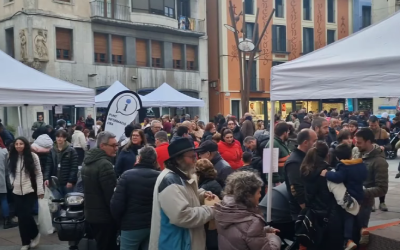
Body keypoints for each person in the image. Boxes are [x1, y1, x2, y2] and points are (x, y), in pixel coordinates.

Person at [149, 138, 215, 250]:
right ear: (178, 159)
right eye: (192, 157)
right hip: (175, 243)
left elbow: (185, 193)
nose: (196, 160)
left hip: (182, 240)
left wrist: (201, 195)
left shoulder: (180, 174)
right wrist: (211, 210)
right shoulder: (170, 180)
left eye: (195, 155)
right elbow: (183, 216)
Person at [214, 171, 281, 250]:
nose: (260, 195)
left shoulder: (223, 209)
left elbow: (239, 233)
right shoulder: (252, 222)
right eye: (259, 192)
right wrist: (273, 237)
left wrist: (263, 231)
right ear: (249, 195)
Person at [111, 146, 160, 250]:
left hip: (131, 225)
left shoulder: (127, 176)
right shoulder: (160, 177)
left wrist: (119, 222)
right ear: (155, 160)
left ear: (139, 158)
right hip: (153, 224)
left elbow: (117, 204)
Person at [321, 143, 368, 250]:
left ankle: (348, 240)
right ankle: (363, 228)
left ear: (337, 157)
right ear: (351, 154)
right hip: (360, 194)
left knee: (349, 217)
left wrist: (327, 174)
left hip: (350, 196)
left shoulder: (343, 166)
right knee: (358, 213)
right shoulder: (360, 164)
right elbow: (365, 175)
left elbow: (338, 177)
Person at [300, 140, 345, 250]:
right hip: (331, 218)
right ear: (327, 155)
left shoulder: (305, 170)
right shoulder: (329, 173)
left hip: (312, 216)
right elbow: (342, 199)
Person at [81, 131, 118, 250]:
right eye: (113, 146)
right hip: (104, 216)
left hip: (92, 213)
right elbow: (110, 195)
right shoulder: (104, 165)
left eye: (116, 145)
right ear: (102, 146)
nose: (116, 148)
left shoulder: (88, 161)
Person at [352, 128, 388, 246]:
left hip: (364, 203)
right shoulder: (356, 151)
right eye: (356, 142)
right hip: (350, 200)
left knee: (359, 234)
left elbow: (382, 188)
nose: (356, 145)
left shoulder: (379, 162)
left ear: (369, 142)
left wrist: (361, 192)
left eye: (359, 142)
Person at [8, 137, 44, 250]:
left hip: (30, 190)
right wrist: (12, 182)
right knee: (21, 218)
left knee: (27, 215)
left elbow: (38, 174)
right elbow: (10, 172)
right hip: (17, 191)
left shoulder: (33, 156)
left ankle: (35, 233)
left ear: (26, 145)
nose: (18, 146)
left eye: (21, 144)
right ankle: (25, 242)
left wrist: (40, 190)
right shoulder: (11, 157)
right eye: (16, 144)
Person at [284, 129, 318, 221]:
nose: (316, 144)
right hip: (301, 212)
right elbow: (296, 187)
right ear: (305, 142)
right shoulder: (294, 162)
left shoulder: (307, 157)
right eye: (314, 141)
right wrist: (306, 209)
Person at [44, 130, 78, 197]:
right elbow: (48, 165)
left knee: (68, 201)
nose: (59, 139)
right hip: (55, 181)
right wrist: (46, 178)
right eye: (58, 137)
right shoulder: (52, 150)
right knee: (56, 202)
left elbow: (74, 167)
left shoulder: (71, 150)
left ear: (65, 138)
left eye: (61, 137)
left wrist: (71, 180)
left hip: (67, 181)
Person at [368, 116, 390, 212]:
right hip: (369, 158)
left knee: (381, 180)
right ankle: (371, 203)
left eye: (374, 125)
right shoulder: (367, 132)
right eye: (371, 125)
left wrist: (384, 147)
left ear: (378, 123)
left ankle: (382, 202)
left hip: (381, 158)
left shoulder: (383, 132)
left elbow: (390, 145)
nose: (373, 127)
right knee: (369, 181)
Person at [0, 146, 17, 229]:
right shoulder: (3, 152)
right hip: (1, 180)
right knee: (3, 199)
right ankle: (7, 221)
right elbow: (8, 169)